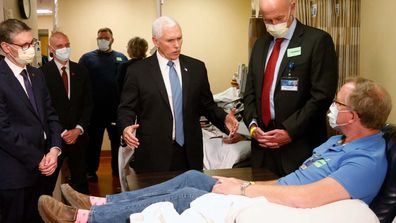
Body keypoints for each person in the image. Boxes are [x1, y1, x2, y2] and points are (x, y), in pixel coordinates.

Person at [38, 77, 392, 223]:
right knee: (195, 175)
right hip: (277, 193)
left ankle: (84, 218)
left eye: (338, 103)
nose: (332, 106)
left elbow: (304, 199)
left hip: (282, 207)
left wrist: (244, 187)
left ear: (353, 115)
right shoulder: (340, 140)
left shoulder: (366, 159)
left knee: (188, 195)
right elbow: (294, 184)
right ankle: (101, 202)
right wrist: (241, 186)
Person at [117, 16, 239, 173]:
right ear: (156, 41)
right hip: (153, 154)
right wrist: (126, 127)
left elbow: (207, 105)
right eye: (170, 40)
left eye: (179, 39)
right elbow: (126, 108)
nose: (177, 45)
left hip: (189, 153)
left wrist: (224, 119)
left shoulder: (196, 68)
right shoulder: (138, 72)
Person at [243, 0, 339, 176]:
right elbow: (249, 92)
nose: (273, 25)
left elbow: (322, 96)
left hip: (299, 147)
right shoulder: (260, 45)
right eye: (268, 20)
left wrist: (290, 131)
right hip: (262, 149)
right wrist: (253, 126)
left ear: (292, 7)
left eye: (279, 18)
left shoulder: (317, 41)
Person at [0, 19, 63, 223]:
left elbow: (51, 115)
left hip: (44, 169)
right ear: (6, 47)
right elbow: (3, 131)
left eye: (32, 42)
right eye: (24, 45)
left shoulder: (36, 74)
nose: (31, 49)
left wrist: (54, 150)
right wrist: (38, 159)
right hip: (14, 175)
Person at [41, 31, 93, 194]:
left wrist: (78, 129)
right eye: (60, 46)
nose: (65, 49)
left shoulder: (81, 71)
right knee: (47, 183)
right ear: (51, 48)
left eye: (67, 45)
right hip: (56, 138)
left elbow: (89, 104)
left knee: (81, 181)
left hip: (79, 136)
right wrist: (62, 132)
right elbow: (44, 108)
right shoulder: (42, 74)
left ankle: (85, 215)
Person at [79, 27, 128, 181]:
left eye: (106, 38)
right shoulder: (87, 58)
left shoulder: (121, 58)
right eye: (100, 38)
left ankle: (117, 170)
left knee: (117, 143)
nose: (103, 41)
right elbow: (81, 82)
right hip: (94, 111)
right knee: (93, 143)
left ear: (112, 40)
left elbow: (128, 82)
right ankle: (90, 171)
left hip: (115, 110)